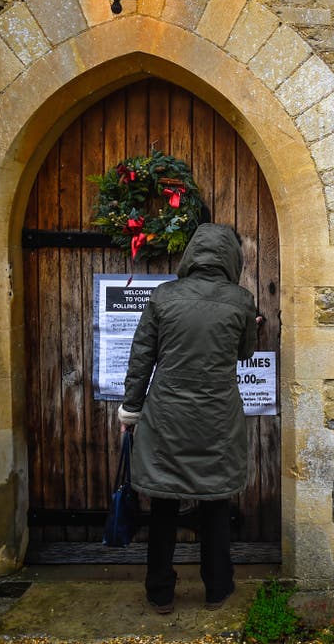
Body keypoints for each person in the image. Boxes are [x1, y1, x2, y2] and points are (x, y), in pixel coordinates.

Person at [117, 223, 261, 614]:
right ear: (231, 258)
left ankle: (160, 592)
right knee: (214, 501)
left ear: (192, 254)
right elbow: (245, 353)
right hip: (216, 415)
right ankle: (217, 588)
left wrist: (131, 409)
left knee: (163, 503)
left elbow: (141, 357)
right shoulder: (241, 301)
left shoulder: (164, 297)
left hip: (166, 414)